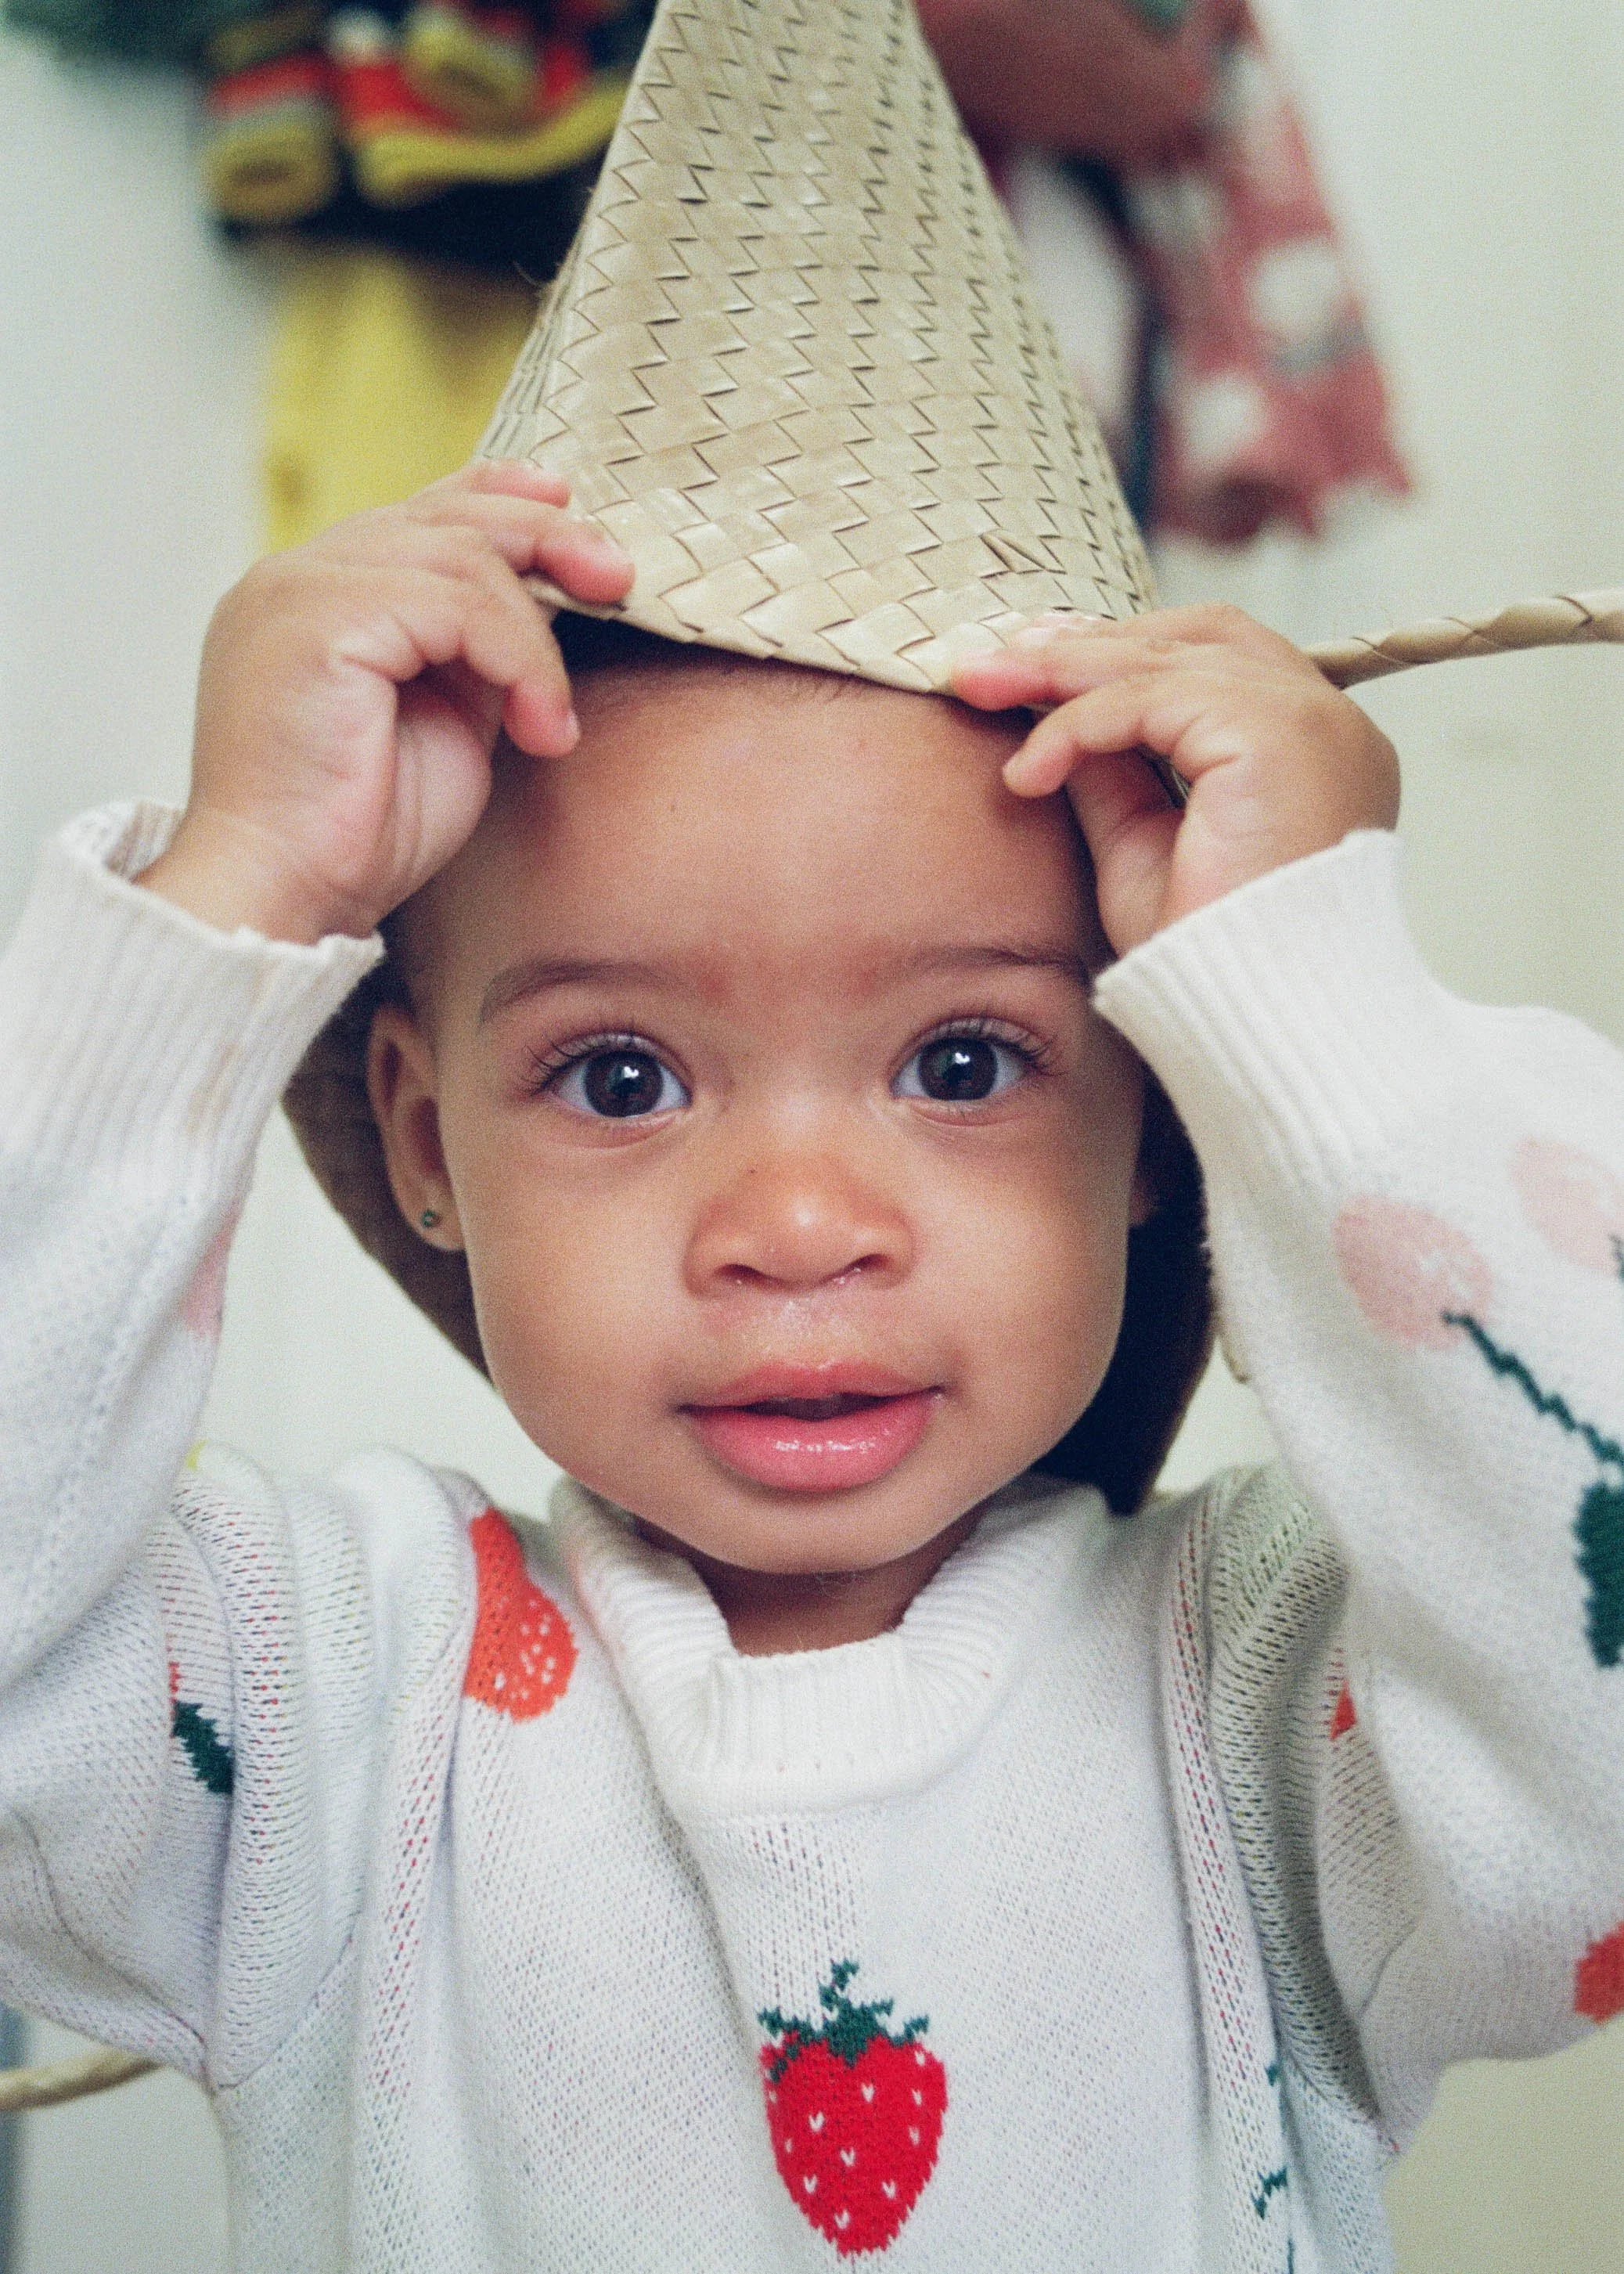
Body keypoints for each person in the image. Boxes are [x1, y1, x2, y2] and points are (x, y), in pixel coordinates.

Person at [2, 2, 1622, 2268]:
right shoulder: (328, 1723)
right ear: (426, 1135)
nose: (795, 1225)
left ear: (1159, 1112)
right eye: (621, 1076)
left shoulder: (1273, 1725)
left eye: (967, 1062)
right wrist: (228, 901)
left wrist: (1316, 1004)